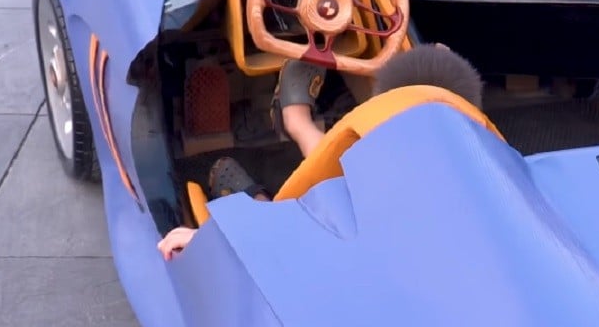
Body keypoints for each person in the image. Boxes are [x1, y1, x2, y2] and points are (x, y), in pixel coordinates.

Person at [158, 44, 484, 259]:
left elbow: (296, 247)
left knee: (323, 194)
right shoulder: (489, 179)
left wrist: (208, 246)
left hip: (333, 275)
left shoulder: (370, 211)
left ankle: (263, 196)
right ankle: (298, 124)